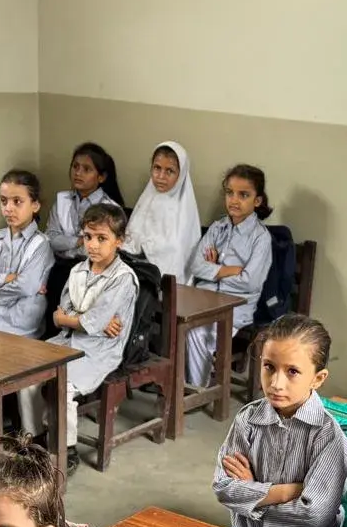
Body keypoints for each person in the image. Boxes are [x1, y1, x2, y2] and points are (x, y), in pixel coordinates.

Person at [213, 314, 347, 527]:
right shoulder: (247, 419)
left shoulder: (329, 437)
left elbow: (314, 514)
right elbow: (223, 488)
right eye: (269, 367)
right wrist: (286, 492)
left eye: (292, 371)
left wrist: (252, 497)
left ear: (318, 378)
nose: (276, 383)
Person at [18, 203, 137, 473]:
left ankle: (65, 448)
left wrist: (76, 319)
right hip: (67, 340)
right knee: (27, 373)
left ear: (119, 241)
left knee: (64, 385)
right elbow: (63, 313)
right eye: (88, 236)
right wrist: (78, 320)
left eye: (102, 238)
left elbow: (90, 322)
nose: (92, 245)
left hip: (100, 350)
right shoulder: (78, 271)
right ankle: (35, 438)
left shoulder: (123, 279)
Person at [185, 164, 274, 387]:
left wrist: (213, 271)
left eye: (243, 195)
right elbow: (196, 266)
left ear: (257, 200)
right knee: (175, 325)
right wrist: (227, 270)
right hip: (205, 301)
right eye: (230, 193)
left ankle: (197, 392)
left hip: (235, 308)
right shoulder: (218, 228)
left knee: (196, 333)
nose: (234, 200)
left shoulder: (260, 238)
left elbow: (250, 282)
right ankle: (183, 386)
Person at [0, 169, 54, 338]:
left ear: (35, 205)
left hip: (21, 320)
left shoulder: (41, 244)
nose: (8, 208)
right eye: (3, 201)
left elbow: (26, 286)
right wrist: (7, 278)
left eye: (17, 201)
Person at [123, 141, 200, 280]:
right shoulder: (146, 200)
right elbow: (130, 238)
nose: (160, 176)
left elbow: (177, 255)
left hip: (164, 280)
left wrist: (146, 248)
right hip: (134, 272)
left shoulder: (185, 213)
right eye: (157, 168)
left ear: (181, 174)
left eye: (169, 171)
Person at [47, 142, 125, 260]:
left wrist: (64, 249)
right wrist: (78, 241)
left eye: (86, 169)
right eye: (75, 166)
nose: (78, 173)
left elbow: (95, 250)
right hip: (57, 264)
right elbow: (50, 238)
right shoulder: (61, 200)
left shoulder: (110, 208)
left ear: (101, 177)